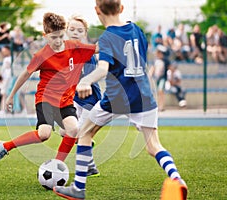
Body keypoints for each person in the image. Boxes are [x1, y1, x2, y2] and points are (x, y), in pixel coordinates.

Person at [53, 1, 187, 200]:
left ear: (97, 11)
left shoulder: (107, 36)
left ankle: (78, 188)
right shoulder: (136, 30)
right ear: (122, 8)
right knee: (154, 147)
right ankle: (176, 179)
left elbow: (102, 69)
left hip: (117, 98)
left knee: (84, 133)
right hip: (144, 97)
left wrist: (86, 80)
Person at [0, 13, 97, 170]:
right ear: (45, 36)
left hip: (65, 101)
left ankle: (56, 166)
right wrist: (11, 96)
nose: (58, 41)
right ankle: (6, 146)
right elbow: (25, 74)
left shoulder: (73, 47)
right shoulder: (41, 56)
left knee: (73, 130)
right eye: (54, 37)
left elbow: (97, 49)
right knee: (44, 134)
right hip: (46, 99)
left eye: (61, 36)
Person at [54, 14, 101, 177]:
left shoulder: (86, 51)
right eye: (72, 29)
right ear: (66, 31)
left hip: (89, 100)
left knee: (77, 133)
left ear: (85, 33)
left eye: (79, 30)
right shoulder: (67, 50)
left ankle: (63, 165)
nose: (75, 32)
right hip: (74, 99)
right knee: (64, 131)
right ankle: (91, 165)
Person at [149, 45, 170, 112]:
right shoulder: (155, 60)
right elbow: (153, 68)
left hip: (163, 77)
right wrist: (150, 75)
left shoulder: (165, 60)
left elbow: (170, 68)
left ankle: (162, 106)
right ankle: (158, 105)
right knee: (158, 92)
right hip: (157, 78)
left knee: (161, 90)